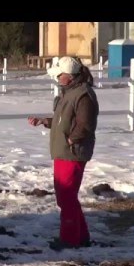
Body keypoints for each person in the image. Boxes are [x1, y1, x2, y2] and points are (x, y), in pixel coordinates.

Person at [28, 56, 99, 251]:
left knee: (66, 197)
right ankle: (81, 236)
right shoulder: (69, 93)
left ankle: (69, 240)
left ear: (70, 76)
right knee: (67, 196)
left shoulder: (83, 95)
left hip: (72, 152)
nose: (58, 78)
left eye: (60, 74)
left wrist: (71, 139)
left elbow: (85, 125)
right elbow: (64, 120)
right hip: (63, 151)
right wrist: (45, 121)